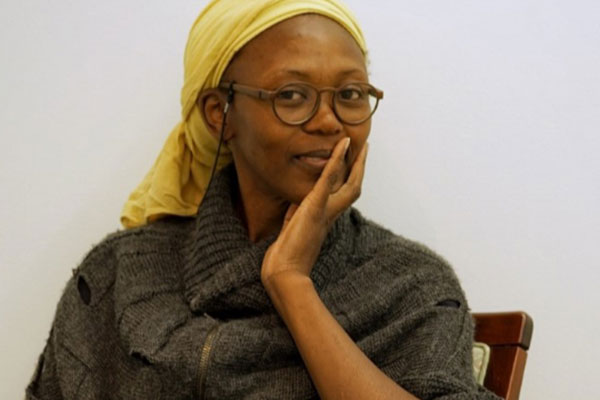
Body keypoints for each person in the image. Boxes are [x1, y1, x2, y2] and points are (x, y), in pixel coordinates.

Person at [27, 0, 500, 399]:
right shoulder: (117, 275)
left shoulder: (411, 285)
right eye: (292, 95)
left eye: (351, 94)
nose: (330, 121)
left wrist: (291, 283)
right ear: (221, 115)